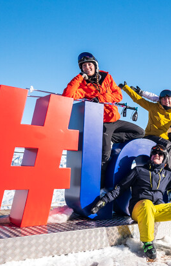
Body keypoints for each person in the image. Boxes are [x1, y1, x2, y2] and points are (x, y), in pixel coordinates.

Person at [90, 143, 171, 260]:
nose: (157, 155)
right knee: (147, 204)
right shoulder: (138, 171)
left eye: (160, 154)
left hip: (156, 209)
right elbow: (120, 188)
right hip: (139, 208)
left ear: (164, 161)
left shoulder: (167, 175)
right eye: (154, 153)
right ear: (151, 156)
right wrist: (103, 201)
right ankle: (148, 243)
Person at [62, 52, 144, 181]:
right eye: (83, 66)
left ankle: (109, 138)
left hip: (115, 120)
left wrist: (99, 98)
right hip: (102, 122)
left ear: (95, 65)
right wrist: (79, 77)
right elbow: (67, 95)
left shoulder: (107, 77)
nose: (87, 68)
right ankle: (100, 186)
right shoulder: (83, 85)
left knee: (139, 132)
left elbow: (118, 95)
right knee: (104, 156)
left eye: (89, 64)